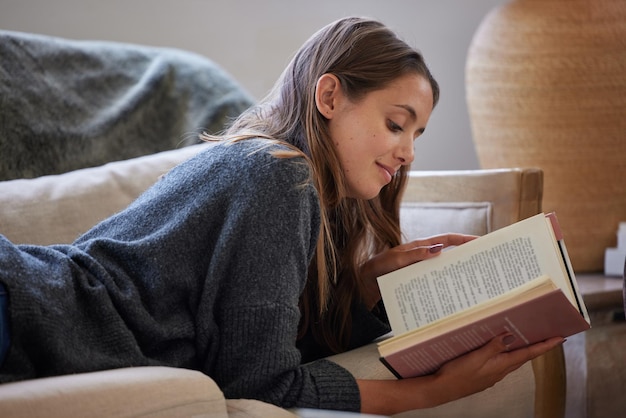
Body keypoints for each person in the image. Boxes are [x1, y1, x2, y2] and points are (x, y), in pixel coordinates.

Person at [0, 16, 564, 415]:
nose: (408, 152)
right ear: (329, 97)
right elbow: (263, 385)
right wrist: (431, 392)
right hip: (24, 305)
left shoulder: (285, 182)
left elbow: (262, 353)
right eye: (397, 123)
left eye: (417, 134)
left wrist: (362, 290)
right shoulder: (279, 173)